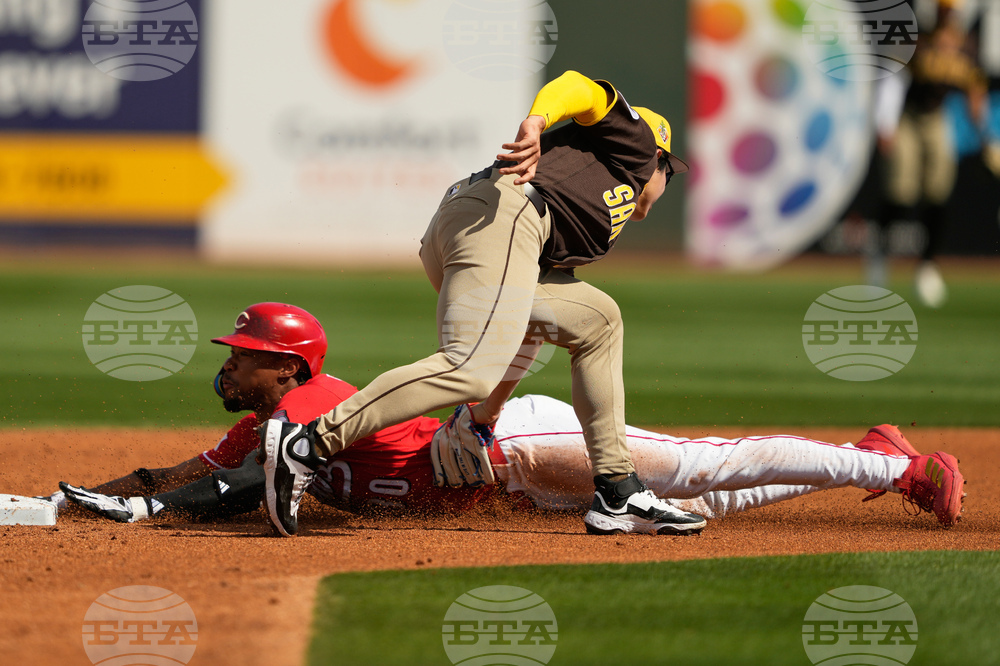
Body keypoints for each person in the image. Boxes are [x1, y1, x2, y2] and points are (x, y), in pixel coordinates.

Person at [56, 303, 966, 531]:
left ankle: (900, 470)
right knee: (697, 511)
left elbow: (288, 446)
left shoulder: (318, 400)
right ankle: (867, 455)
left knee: (694, 469)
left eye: (239, 352)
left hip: (515, 446)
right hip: (502, 500)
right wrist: (125, 500)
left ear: (282, 366)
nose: (226, 363)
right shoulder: (263, 429)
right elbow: (218, 478)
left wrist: (479, 423)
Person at [260, 70, 701, 537]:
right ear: (659, 160)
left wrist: (484, 419)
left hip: (480, 223)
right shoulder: (635, 147)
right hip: (502, 215)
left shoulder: (595, 208)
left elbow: (525, 330)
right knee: (468, 368)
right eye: (668, 171)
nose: (666, 180)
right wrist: (536, 121)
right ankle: (307, 443)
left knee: (597, 322)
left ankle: (617, 491)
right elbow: (581, 86)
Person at [871, 1, 988, 307]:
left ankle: (927, 265)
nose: (948, 16)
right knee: (901, 191)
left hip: (937, 117)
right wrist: (886, 122)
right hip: (908, 117)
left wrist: (983, 129)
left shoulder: (966, 48)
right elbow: (894, 81)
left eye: (952, 11)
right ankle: (879, 257)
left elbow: (975, 90)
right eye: (944, 10)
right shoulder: (918, 42)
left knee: (938, 191)